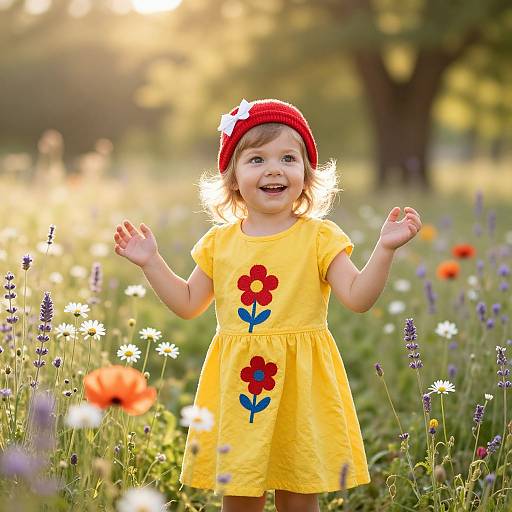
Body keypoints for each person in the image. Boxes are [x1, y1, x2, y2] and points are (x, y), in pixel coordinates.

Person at [113, 98, 422, 512]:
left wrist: (384, 250)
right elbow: (188, 304)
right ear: (234, 179)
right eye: (256, 158)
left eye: (288, 158)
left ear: (307, 176)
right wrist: (151, 262)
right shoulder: (219, 243)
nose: (274, 169)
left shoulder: (319, 237)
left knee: (298, 492)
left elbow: (359, 298)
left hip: (300, 382)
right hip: (241, 382)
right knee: (240, 491)